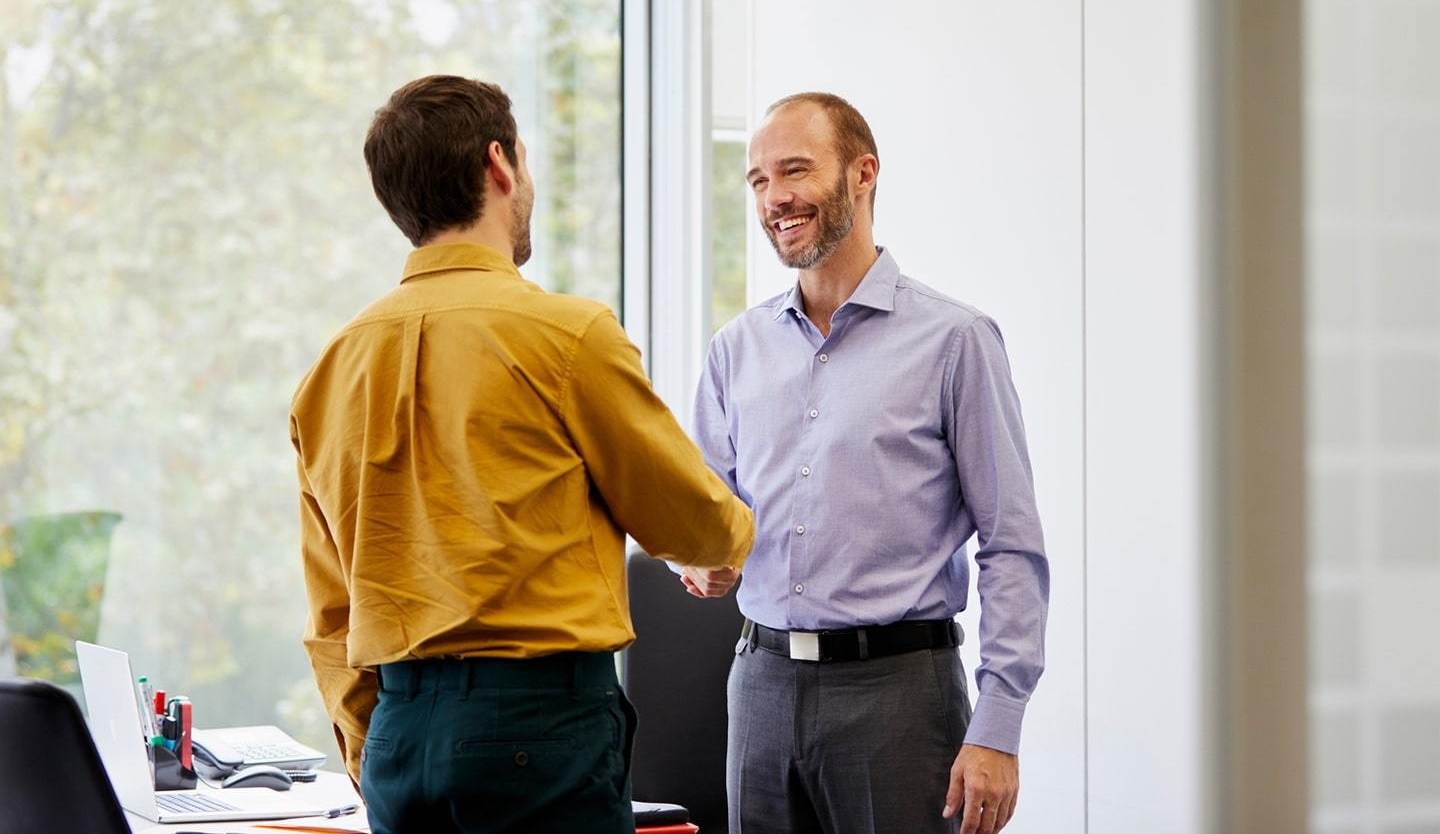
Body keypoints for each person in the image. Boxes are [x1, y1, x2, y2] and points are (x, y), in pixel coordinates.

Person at [291, 75, 755, 834]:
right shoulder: (566, 337)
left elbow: (331, 613)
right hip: (539, 730)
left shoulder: (330, 371)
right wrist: (729, 541)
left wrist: (376, 748)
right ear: (499, 164)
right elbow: (693, 523)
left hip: (399, 737)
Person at [681, 92, 1049, 834]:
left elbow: (1010, 544)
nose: (774, 198)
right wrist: (693, 558)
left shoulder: (956, 341)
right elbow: (701, 516)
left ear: (862, 174)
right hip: (759, 685)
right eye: (758, 180)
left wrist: (999, 725)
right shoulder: (734, 350)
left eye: (795, 170)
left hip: (900, 696)